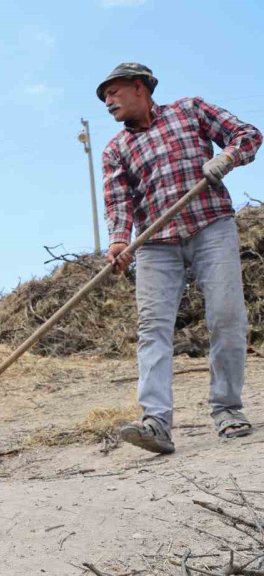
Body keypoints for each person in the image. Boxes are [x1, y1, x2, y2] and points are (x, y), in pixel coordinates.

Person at [98, 63, 262, 455]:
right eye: (105, 97)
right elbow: (119, 202)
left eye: (114, 92)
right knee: (152, 328)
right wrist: (120, 242)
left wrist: (229, 158)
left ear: (140, 88)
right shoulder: (115, 149)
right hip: (156, 244)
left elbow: (248, 134)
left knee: (226, 316)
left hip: (211, 227)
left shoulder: (190, 110)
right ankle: (156, 423)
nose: (108, 102)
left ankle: (227, 409)